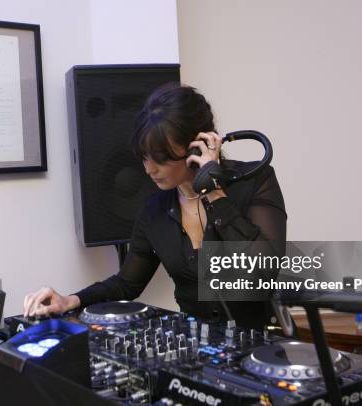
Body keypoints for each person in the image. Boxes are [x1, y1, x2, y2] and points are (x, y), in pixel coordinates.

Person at [23, 83, 287, 330]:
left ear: (198, 146)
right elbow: (126, 283)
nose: (149, 169)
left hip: (263, 344)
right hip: (197, 350)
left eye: (160, 158)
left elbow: (265, 267)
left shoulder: (255, 181)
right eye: (144, 157)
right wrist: (70, 301)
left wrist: (214, 192)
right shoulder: (154, 210)